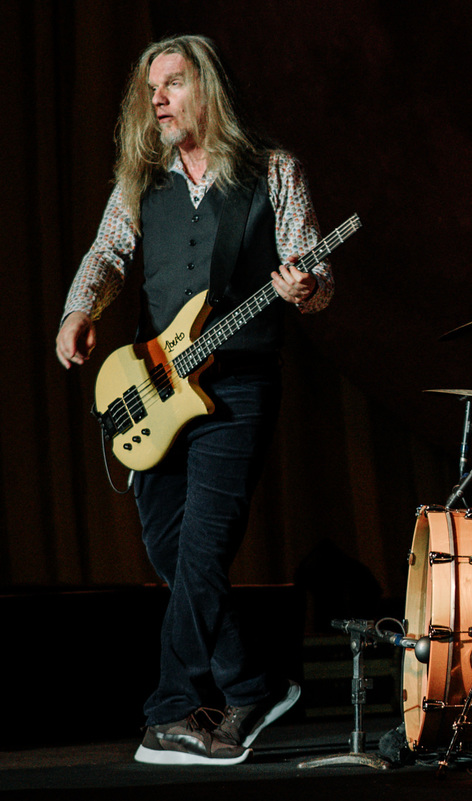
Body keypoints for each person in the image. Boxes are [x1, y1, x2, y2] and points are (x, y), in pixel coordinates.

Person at [55, 34, 332, 765]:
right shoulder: (143, 178)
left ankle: (172, 709)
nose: (157, 100)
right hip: (154, 383)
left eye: (172, 84)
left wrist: (306, 286)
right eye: (151, 88)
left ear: (207, 89)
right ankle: (252, 685)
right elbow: (108, 251)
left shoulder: (274, 170)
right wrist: (79, 310)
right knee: (170, 548)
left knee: (204, 548)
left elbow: (313, 268)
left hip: (236, 385)